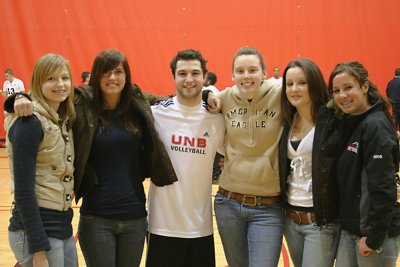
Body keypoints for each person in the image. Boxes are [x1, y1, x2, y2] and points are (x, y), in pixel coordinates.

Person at [7, 49, 178, 267]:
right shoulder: (80, 102)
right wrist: (18, 97)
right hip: (95, 217)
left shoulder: (137, 102)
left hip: (132, 215)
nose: (113, 78)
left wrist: (205, 95)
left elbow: (173, 102)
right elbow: (44, 97)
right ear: (95, 76)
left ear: (127, 76)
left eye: (118, 72)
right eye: (106, 72)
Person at [146, 49, 225, 267]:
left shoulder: (216, 119)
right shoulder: (155, 114)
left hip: (201, 228)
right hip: (161, 226)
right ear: (173, 77)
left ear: (204, 77)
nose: (188, 79)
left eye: (195, 73)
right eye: (182, 73)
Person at [206, 47, 284, 267]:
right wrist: (207, 93)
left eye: (253, 70)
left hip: (268, 207)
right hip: (228, 203)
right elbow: (194, 104)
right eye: (240, 71)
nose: (246, 76)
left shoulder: (281, 96)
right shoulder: (225, 98)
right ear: (232, 75)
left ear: (264, 73)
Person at [6, 54, 77, 266]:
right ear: (38, 82)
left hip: (61, 226)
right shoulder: (29, 123)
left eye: (64, 78)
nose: (60, 84)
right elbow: (24, 191)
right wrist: (38, 249)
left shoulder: (61, 118)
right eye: (51, 79)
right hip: (37, 231)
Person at [329, 61, 400, 266]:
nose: (342, 95)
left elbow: (383, 188)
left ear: (365, 86)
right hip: (352, 230)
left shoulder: (376, 126)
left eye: (348, 87)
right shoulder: (351, 121)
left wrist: (373, 237)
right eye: (336, 90)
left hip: (374, 236)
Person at [279, 58, 340, 267]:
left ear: (313, 83)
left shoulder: (332, 120)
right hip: (290, 219)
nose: (294, 89)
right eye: (289, 84)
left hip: (320, 222)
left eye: (302, 83)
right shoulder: (287, 119)